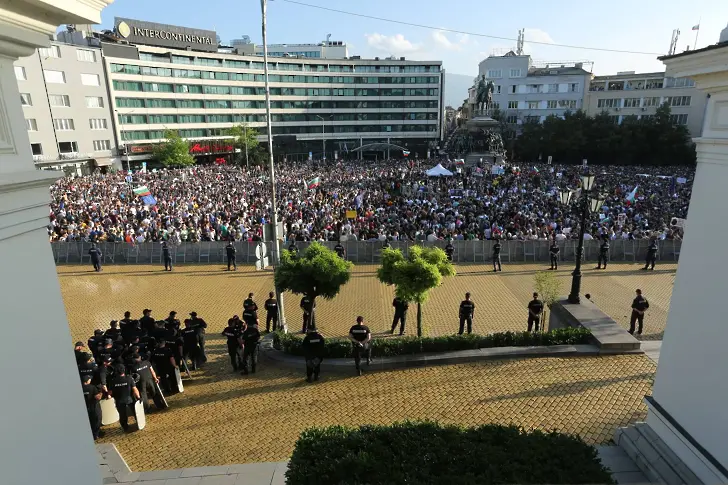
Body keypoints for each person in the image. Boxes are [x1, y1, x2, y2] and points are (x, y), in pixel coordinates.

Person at [109, 364, 140, 432]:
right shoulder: (129, 379)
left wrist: (108, 396)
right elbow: (135, 389)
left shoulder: (113, 381)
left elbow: (110, 393)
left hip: (119, 400)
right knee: (136, 411)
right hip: (129, 399)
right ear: (124, 370)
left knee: (122, 414)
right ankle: (139, 422)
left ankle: (125, 427)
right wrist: (138, 397)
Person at [81, 373, 104, 440]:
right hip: (94, 407)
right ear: (87, 381)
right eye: (89, 379)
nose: (90, 380)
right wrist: (101, 391)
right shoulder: (92, 387)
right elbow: (98, 397)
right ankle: (95, 435)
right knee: (97, 420)